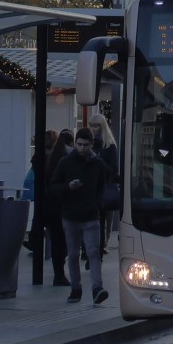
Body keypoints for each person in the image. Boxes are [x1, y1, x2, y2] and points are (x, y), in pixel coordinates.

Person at [49, 127, 109, 304]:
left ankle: (97, 288)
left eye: (86, 145)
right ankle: (76, 288)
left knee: (93, 253)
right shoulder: (65, 162)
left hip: (90, 216)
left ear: (92, 145)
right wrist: (68, 186)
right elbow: (53, 187)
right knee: (73, 254)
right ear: (75, 144)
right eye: (80, 145)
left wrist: (98, 205)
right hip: (71, 215)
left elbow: (101, 188)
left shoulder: (97, 164)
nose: (82, 148)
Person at [42, 129, 73, 286]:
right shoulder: (68, 157)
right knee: (65, 241)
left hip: (50, 204)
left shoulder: (50, 157)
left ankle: (58, 273)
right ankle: (61, 274)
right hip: (65, 205)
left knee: (56, 240)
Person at [88, 114, 120, 258]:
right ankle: (92, 249)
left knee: (101, 222)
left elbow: (113, 169)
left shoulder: (109, 146)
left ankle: (99, 249)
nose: (94, 129)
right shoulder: (89, 144)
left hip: (103, 187)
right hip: (90, 188)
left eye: (96, 126)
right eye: (92, 126)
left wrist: (98, 162)